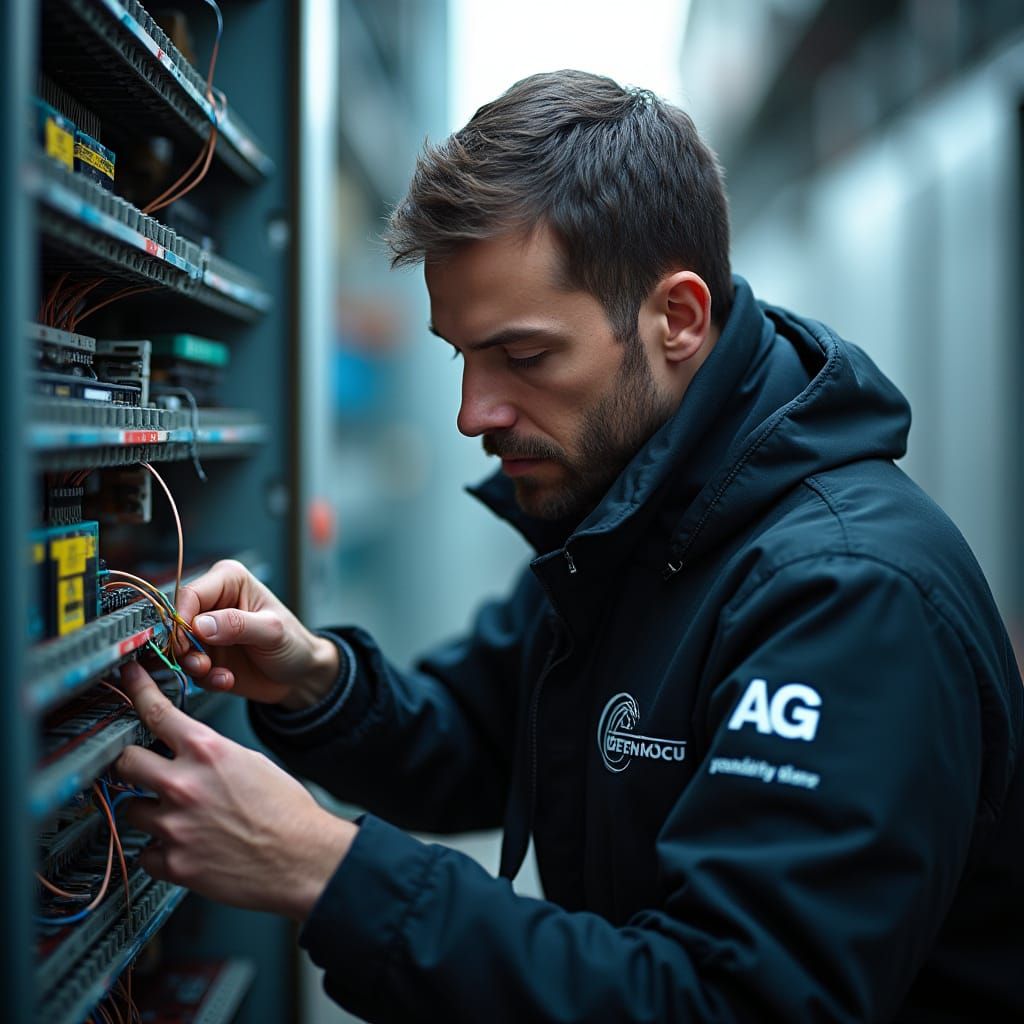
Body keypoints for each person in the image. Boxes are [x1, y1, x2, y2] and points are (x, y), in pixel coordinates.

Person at [116, 70, 1024, 1022]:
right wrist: (318, 680)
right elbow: (481, 738)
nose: (474, 412)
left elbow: (727, 1002)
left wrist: (323, 867)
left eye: (525, 355)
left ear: (677, 318)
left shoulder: (847, 598)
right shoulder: (629, 520)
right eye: (460, 355)